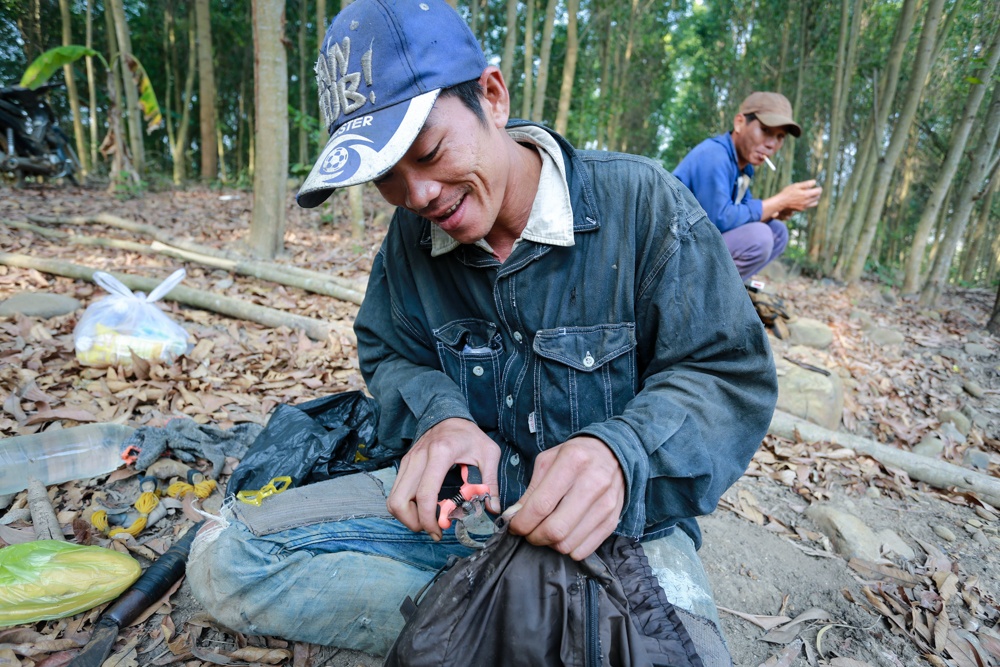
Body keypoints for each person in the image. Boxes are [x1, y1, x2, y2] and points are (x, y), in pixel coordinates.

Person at [186, 0, 777, 661]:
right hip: (459, 515)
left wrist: (621, 451)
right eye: (388, 178)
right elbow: (390, 351)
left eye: (430, 152)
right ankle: (514, 619)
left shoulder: (642, 205)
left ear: (491, 96)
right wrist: (441, 417)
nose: (420, 196)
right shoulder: (410, 238)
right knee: (227, 558)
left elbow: (728, 375)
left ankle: (497, 622)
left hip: (620, 529)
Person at [674, 92, 822, 280]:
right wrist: (778, 200)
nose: (771, 144)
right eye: (765, 130)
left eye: (780, 136)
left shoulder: (743, 169)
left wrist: (776, 210)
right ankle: (694, 296)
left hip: (696, 248)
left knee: (778, 231)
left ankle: (724, 294)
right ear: (739, 123)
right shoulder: (714, 155)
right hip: (674, 253)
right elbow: (715, 221)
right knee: (759, 237)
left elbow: (742, 214)